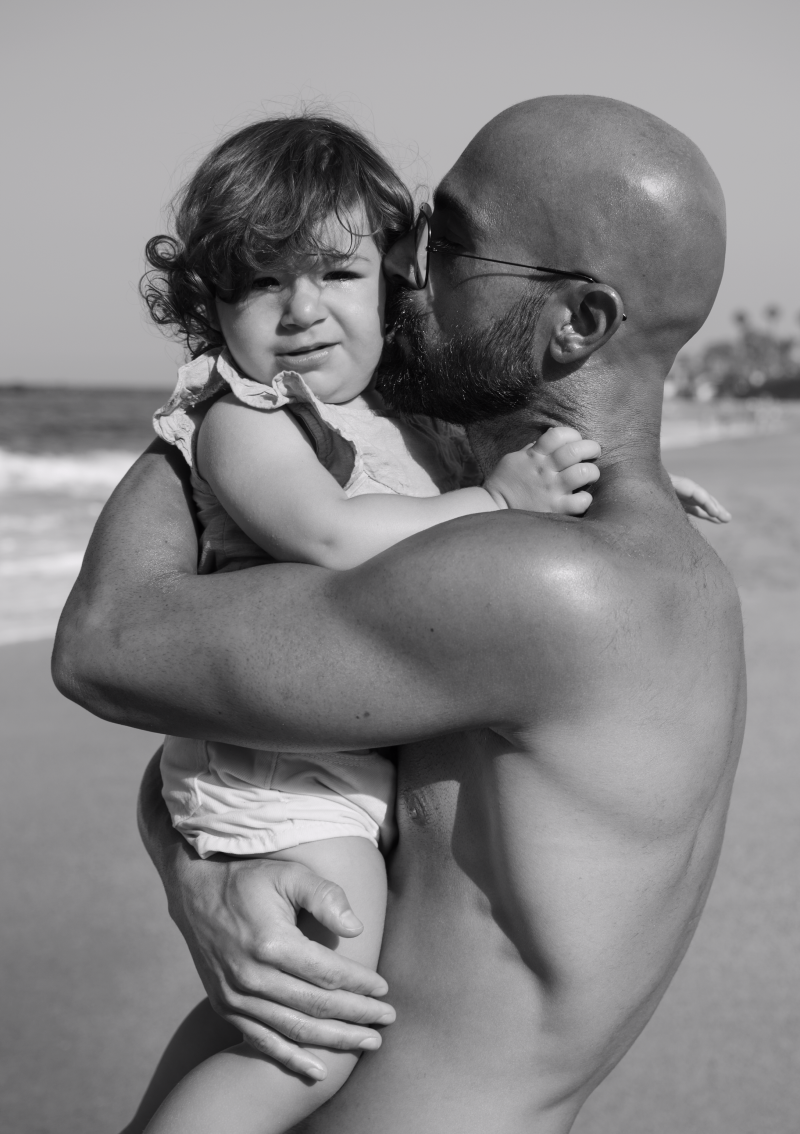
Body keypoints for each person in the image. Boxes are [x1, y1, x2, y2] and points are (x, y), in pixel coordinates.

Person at [54, 95, 745, 1134]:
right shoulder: (659, 566)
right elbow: (249, 748)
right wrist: (198, 875)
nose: (400, 268)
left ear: (576, 322)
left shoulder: (532, 580)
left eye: (447, 242)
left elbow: (106, 646)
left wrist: (208, 408)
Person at [136, 115, 612, 1134]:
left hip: (328, 761)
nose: (301, 310)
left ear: (393, 273)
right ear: (209, 300)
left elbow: (487, 477)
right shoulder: (247, 417)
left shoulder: (400, 419)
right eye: (261, 281)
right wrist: (493, 506)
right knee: (314, 1031)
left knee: (260, 1019)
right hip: (272, 767)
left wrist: (609, 490)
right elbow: (330, 537)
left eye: (334, 274)